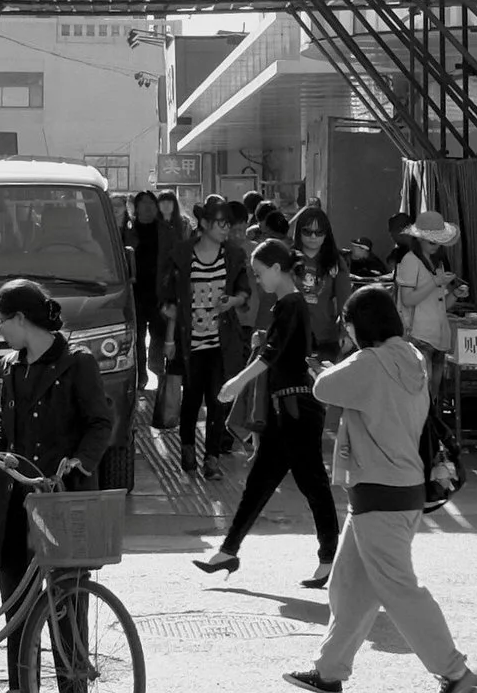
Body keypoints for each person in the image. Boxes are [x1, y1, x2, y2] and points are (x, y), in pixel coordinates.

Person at [287, 286, 468, 693]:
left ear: (358, 325)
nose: (346, 333)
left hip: (380, 494)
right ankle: (330, 672)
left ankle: (456, 673)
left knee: (399, 590)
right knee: (350, 584)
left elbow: (324, 388)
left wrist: (341, 360)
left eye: (348, 325)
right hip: (397, 490)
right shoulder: (413, 357)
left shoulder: (368, 363)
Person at [0, 279, 113, 693]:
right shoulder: (10, 367)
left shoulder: (77, 363)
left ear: (21, 320)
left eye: (0, 321)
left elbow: (102, 422)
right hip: (18, 498)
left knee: (67, 605)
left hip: (64, 501)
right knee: (16, 605)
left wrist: (82, 460)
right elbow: (7, 434)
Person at [194, 238, 339, 586]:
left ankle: (331, 557)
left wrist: (236, 383)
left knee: (312, 483)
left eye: (260, 273)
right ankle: (228, 551)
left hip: (296, 411)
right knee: (260, 483)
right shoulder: (289, 305)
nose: (257, 280)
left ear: (277, 269)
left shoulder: (291, 304)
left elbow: (271, 354)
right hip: (284, 411)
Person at [174, 199, 246, 477]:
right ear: (204, 224)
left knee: (218, 399)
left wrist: (233, 301)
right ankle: (188, 448)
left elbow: (243, 291)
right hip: (190, 340)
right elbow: (168, 297)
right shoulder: (182, 254)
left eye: (228, 224)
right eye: (221, 223)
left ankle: (212, 459)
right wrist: (169, 338)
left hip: (221, 339)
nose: (226, 229)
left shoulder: (233, 256)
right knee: (191, 398)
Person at [126, 187, 181, 395]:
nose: (148, 208)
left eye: (151, 203)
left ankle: (157, 370)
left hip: (160, 292)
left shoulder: (166, 230)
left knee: (158, 335)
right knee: (137, 336)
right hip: (136, 292)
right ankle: (141, 377)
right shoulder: (129, 230)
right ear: (136, 207)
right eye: (143, 204)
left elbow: (175, 259)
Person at [393, 213, 460, 373]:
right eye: (431, 240)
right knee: (423, 387)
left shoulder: (438, 264)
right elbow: (407, 299)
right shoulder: (410, 260)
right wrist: (435, 282)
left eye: (439, 240)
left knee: (435, 390)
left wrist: (456, 294)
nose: (436, 244)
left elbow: (441, 305)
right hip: (418, 335)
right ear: (419, 238)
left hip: (439, 335)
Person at [289, 202, 346, 355]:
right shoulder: (288, 259)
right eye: (307, 231)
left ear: (326, 234)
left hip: (325, 339)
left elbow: (344, 301)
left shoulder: (336, 261)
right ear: (299, 232)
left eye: (319, 232)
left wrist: (345, 332)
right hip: (291, 337)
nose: (313, 236)